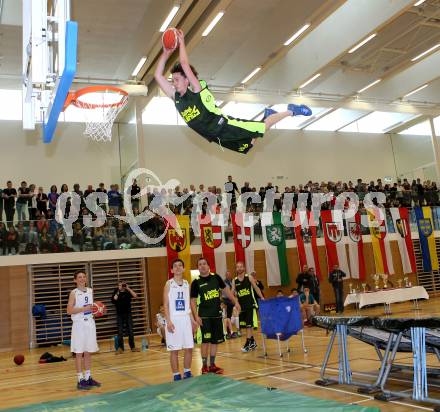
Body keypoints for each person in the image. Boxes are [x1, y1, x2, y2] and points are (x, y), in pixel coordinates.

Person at [154, 30, 312, 155]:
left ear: (187, 80)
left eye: (176, 79)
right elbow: (157, 76)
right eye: (172, 80)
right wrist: (165, 53)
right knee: (248, 147)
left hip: (226, 126)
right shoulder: (177, 99)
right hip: (216, 137)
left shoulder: (197, 90)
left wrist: (181, 43)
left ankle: (292, 110)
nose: (173, 83)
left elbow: (183, 63)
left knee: (264, 127)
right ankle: (268, 114)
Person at [190, 257, 240, 374]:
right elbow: (192, 300)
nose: (202, 266)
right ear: (198, 268)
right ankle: (204, 366)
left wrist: (235, 302)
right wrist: (196, 316)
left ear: (208, 266)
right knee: (206, 341)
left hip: (217, 315)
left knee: (215, 341)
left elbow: (226, 291)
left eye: (204, 264)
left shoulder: (216, 277)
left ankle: (212, 365)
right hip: (204, 316)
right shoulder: (196, 282)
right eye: (200, 264)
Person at [66, 270, 101, 390]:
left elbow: (90, 308)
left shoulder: (90, 290)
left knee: (88, 352)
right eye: (79, 277)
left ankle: (88, 377)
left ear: (86, 279)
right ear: (75, 280)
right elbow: (69, 311)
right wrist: (83, 309)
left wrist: (97, 310)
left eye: (84, 277)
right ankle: (80, 379)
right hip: (79, 324)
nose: (82, 279)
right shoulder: (73, 293)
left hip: (90, 323)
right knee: (79, 353)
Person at [163, 259, 197, 381]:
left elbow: (188, 304)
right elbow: (165, 304)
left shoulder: (187, 284)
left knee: (189, 347)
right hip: (174, 320)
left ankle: (187, 371)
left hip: (186, 319)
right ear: (172, 270)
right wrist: (168, 321)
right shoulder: (169, 284)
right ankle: (176, 374)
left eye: (180, 266)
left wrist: (193, 320)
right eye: (175, 266)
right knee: (174, 349)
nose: (177, 268)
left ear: (183, 269)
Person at [231, 262, 264, 353]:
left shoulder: (249, 277)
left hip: (250, 305)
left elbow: (256, 288)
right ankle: (252, 342)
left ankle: (247, 344)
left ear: (244, 268)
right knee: (246, 326)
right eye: (237, 267)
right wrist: (235, 301)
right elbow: (232, 293)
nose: (239, 268)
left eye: (241, 266)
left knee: (249, 325)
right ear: (236, 269)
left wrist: (262, 297)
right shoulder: (234, 281)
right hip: (241, 307)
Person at [111, 281, 139, 353]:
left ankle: (132, 347)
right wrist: (118, 290)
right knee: (120, 331)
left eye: (123, 285)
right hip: (119, 314)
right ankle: (121, 348)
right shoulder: (116, 291)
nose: (122, 286)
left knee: (130, 330)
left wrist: (128, 288)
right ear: (118, 286)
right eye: (120, 285)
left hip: (128, 313)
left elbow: (135, 296)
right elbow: (114, 299)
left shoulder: (127, 291)